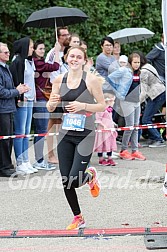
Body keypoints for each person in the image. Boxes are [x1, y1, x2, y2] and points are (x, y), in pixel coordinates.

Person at [46, 46, 105, 230]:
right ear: (66, 58)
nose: (74, 59)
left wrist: (83, 105)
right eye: (72, 56)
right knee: (66, 181)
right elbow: (50, 108)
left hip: (85, 135)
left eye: (78, 57)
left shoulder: (91, 80)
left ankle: (89, 176)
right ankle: (78, 217)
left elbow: (102, 106)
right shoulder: (58, 80)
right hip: (65, 134)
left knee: (74, 179)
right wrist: (52, 103)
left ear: (84, 60)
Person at [0, 42, 29, 177]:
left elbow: (8, 89)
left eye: (8, 51)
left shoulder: (5, 68)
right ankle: (4, 167)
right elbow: (1, 92)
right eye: (5, 52)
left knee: (8, 138)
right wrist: (17, 91)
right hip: (2, 109)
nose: (8, 54)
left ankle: (6, 165)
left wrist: (18, 90)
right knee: (4, 139)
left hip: (8, 108)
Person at [9, 37, 37, 175]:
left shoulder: (29, 61)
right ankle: (20, 162)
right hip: (22, 100)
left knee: (26, 132)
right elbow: (16, 80)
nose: (33, 49)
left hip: (30, 99)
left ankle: (26, 160)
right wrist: (20, 96)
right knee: (20, 132)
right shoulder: (17, 61)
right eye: (31, 46)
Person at [32, 40, 61, 169]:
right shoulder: (38, 63)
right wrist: (56, 51)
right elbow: (55, 66)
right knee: (41, 130)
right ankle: (39, 161)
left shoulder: (40, 62)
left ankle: (39, 160)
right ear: (34, 50)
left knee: (42, 130)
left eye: (44, 49)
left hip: (42, 97)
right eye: (40, 49)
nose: (42, 51)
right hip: (40, 98)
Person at [114, 52, 146, 161]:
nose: (137, 64)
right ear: (130, 63)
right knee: (130, 126)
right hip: (127, 102)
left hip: (136, 102)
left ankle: (135, 150)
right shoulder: (126, 72)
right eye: (135, 62)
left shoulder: (139, 73)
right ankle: (123, 150)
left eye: (138, 62)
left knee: (136, 126)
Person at [45, 27, 70, 164]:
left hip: (67, 93)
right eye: (64, 35)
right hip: (57, 93)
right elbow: (51, 73)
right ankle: (50, 154)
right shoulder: (52, 53)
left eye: (68, 34)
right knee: (53, 124)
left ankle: (63, 152)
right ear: (58, 37)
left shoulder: (66, 52)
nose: (67, 36)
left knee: (62, 125)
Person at [139, 52, 166, 147]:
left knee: (146, 119)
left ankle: (158, 139)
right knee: (149, 117)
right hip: (161, 91)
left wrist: (138, 102)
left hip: (156, 94)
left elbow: (144, 91)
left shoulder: (143, 71)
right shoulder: (149, 66)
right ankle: (152, 137)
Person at [93, 93, 117, 166]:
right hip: (103, 130)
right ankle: (101, 159)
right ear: (108, 101)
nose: (114, 103)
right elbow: (98, 119)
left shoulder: (109, 109)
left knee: (110, 144)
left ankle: (110, 158)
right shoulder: (101, 109)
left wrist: (113, 123)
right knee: (102, 144)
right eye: (113, 101)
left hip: (110, 130)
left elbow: (109, 118)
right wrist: (103, 125)